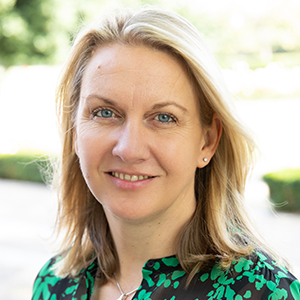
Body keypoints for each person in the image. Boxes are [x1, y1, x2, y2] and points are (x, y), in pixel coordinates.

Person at [32, 6, 300, 300]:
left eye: (163, 118)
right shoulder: (53, 284)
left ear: (207, 142)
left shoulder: (263, 292)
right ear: (74, 132)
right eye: (105, 112)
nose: (129, 149)